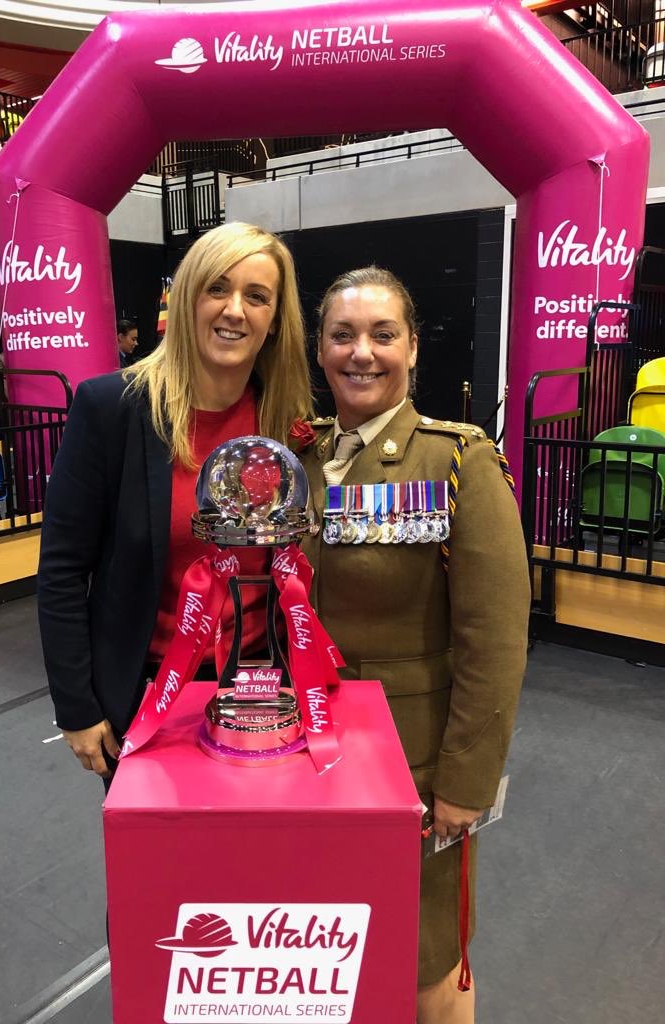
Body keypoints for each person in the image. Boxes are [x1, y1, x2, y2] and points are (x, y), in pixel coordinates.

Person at [300, 266, 530, 1024]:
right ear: (319, 348)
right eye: (343, 335)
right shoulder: (292, 464)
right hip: (304, 761)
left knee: (427, 958)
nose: (361, 352)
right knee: (329, 944)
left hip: (414, 767)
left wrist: (467, 783)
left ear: (412, 350)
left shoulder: (459, 461)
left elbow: (494, 644)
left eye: (382, 334)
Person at [38, 222, 311, 783]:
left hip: (265, 690)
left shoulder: (289, 422)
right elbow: (63, 570)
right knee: (166, 867)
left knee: (263, 862)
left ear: (276, 319)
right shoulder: (111, 408)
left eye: (257, 296)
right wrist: (77, 707)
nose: (235, 310)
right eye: (217, 288)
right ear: (187, 298)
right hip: (146, 695)